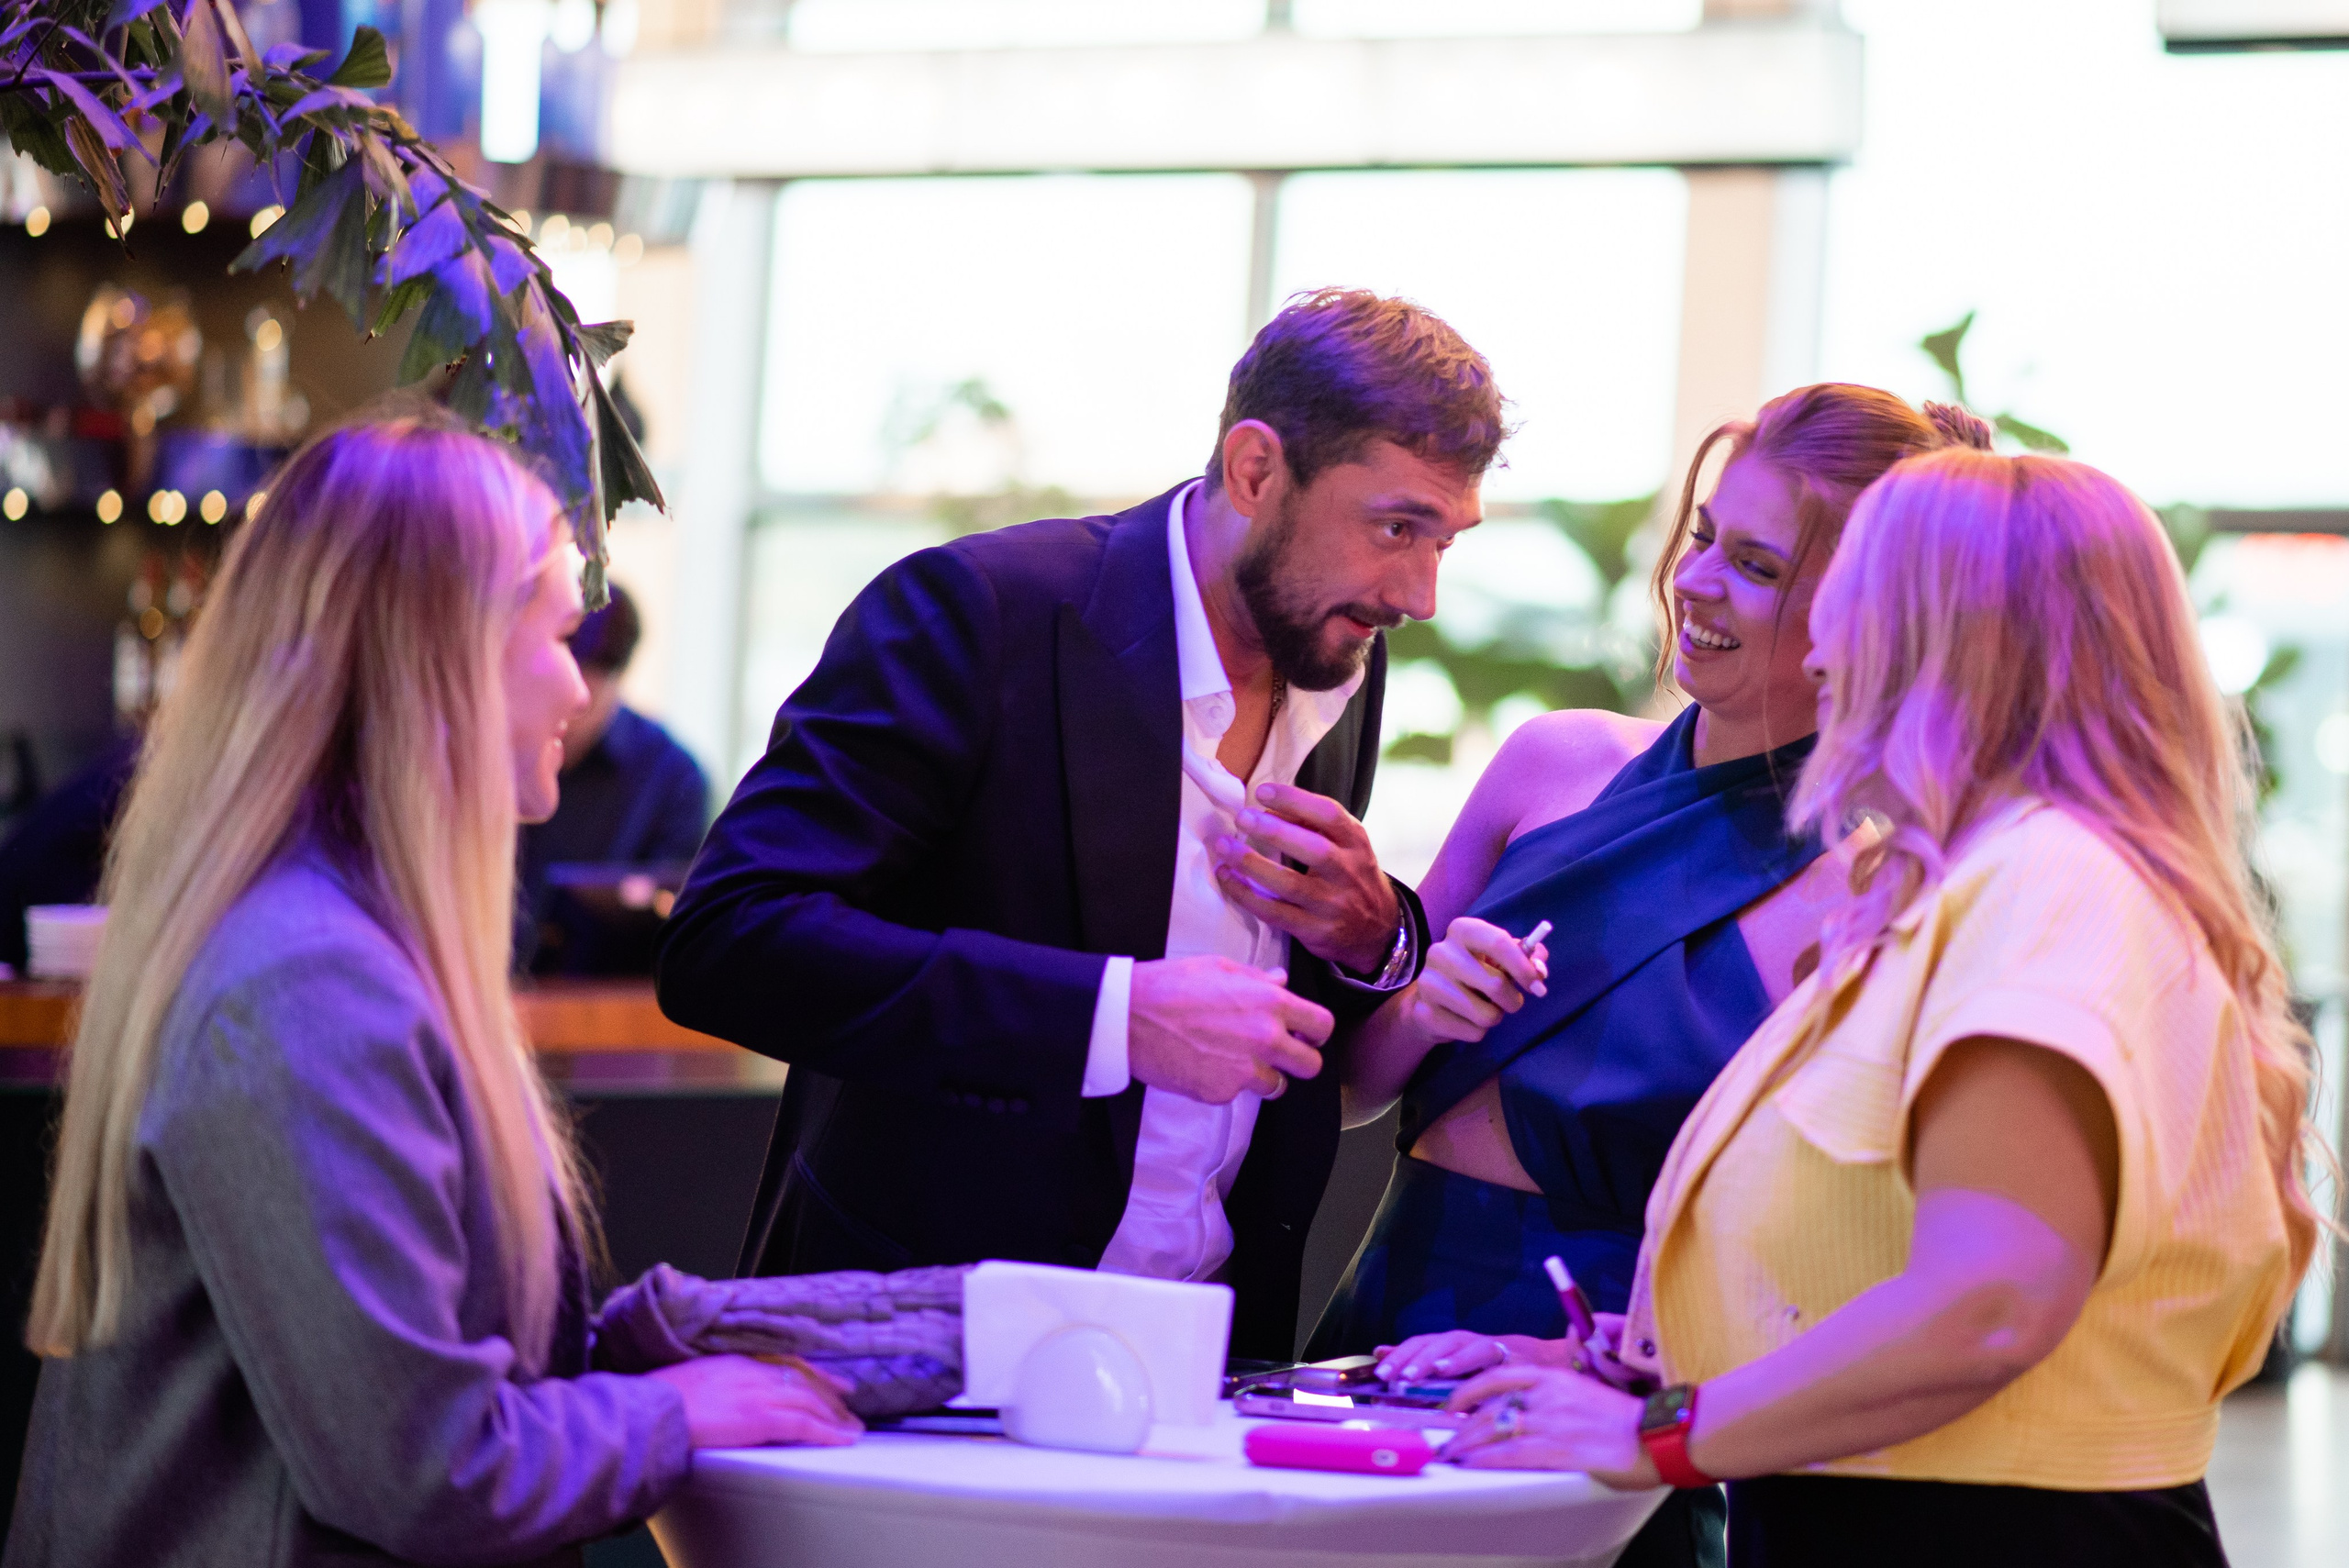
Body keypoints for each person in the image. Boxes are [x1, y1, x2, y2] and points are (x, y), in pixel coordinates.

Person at [1435, 450, 2326, 1568]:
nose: (1816, 651)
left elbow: (1992, 1297)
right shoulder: (1976, 882)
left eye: (1848, 609)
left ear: (1954, 646)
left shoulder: (2049, 883)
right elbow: (1898, 1244)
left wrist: (1658, 1430)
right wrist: (1654, 1359)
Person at [6, 418, 857, 1568]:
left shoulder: (337, 944)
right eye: (558, 632)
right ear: (434, 650)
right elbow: (421, 1464)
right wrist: (673, 1413)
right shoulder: (310, 984)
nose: (577, 681)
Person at [657, 289, 1502, 1357]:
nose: (1421, 593)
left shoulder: (1338, 662)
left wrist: (1374, 936)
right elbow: (727, 941)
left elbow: (1287, 1020)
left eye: (1446, 541)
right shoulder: (978, 614)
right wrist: (1115, 1018)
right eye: (1396, 527)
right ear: (1254, 471)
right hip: (923, 1349)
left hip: (1201, 1357)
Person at [1322, 386, 1995, 1567]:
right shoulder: (1555, 762)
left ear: (1869, 610)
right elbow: (1358, 1085)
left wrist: (1648, 1364)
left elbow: (1857, 1244)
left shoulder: (1877, 882)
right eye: (1700, 539)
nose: (1696, 583)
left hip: (1613, 1366)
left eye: (1755, 562)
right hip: (1390, 1313)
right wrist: (1423, 1001)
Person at [515, 582, 710, 975]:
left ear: (617, 678)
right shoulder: (496, 752)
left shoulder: (673, 779)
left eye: (586, 690)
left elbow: (670, 929)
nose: (568, 705)